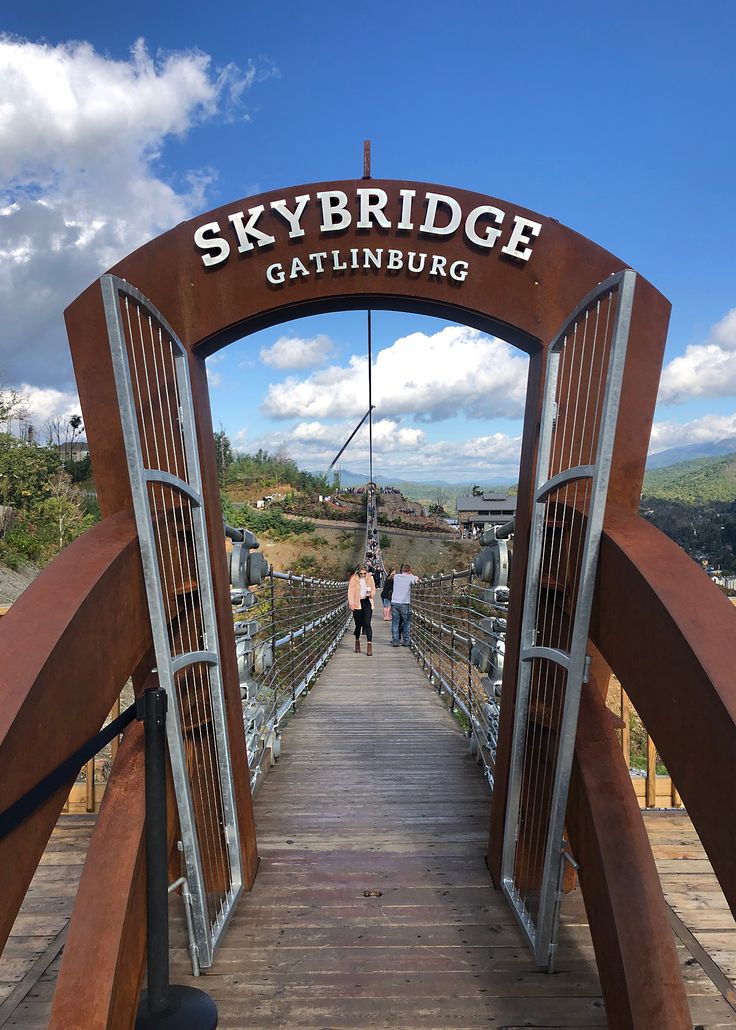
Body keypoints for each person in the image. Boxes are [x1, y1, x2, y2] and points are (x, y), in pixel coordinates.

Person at [347, 564, 376, 656]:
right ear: (358, 572)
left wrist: (371, 594)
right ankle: (357, 642)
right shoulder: (354, 579)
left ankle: (369, 646)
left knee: (367, 624)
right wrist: (351, 603)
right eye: (361, 573)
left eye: (364, 573)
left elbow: (373, 590)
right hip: (357, 603)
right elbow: (350, 592)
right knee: (358, 625)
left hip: (367, 602)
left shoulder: (370, 578)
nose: (363, 575)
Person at [391, 563, 419, 647]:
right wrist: (411, 574)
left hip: (394, 602)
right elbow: (417, 578)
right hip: (405, 603)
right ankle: (406, 640)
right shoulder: (411, 578)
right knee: (406, 622)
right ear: (409, 571)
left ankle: (396, 641)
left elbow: (392, 575)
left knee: (395, 623)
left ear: (402, 570)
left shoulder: (396, 577)